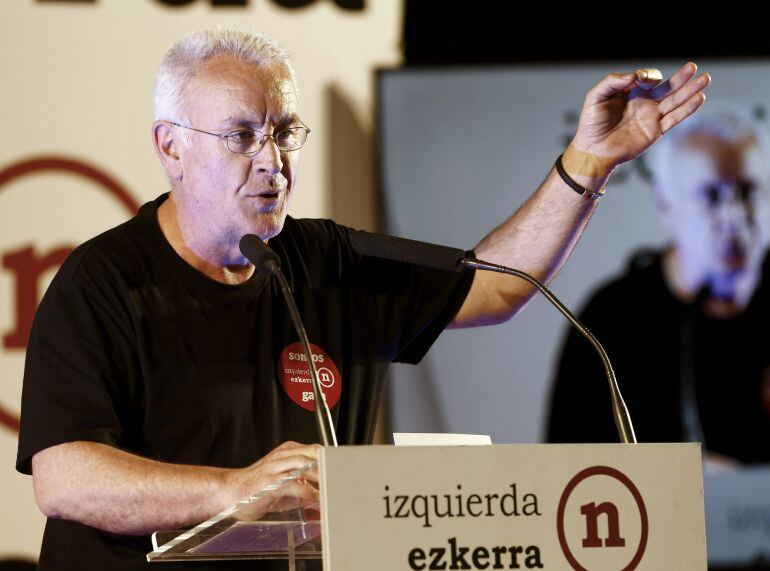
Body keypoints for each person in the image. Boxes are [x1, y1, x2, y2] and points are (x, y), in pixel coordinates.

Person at [15, 27, 709, 570]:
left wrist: (588, 161)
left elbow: (499, 285)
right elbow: (65, 476)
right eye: (241, 136)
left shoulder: (325, 261)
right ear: (172, 147)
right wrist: (232, 491)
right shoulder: (101, 282)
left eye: (284, 132)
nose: (272, 160)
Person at [547, 104, 770, 468]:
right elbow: (565, 467)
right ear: (667, 205)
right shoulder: (613, 319)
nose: (735, 216)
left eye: (748, 191)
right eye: (711, 196)